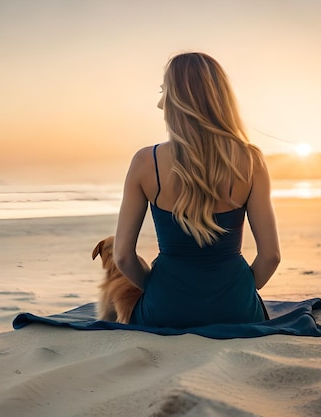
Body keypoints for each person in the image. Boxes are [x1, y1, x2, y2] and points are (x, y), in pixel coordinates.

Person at [114, 52, 280, 328]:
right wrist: (240, 290)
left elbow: (123, 257)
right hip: (236, 309)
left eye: (163, 92)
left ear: (177, 99)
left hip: (165, 309)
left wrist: (156, 287)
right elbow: (271, 256)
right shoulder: (251, 161)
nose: (159, 103)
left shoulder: (145, 162)